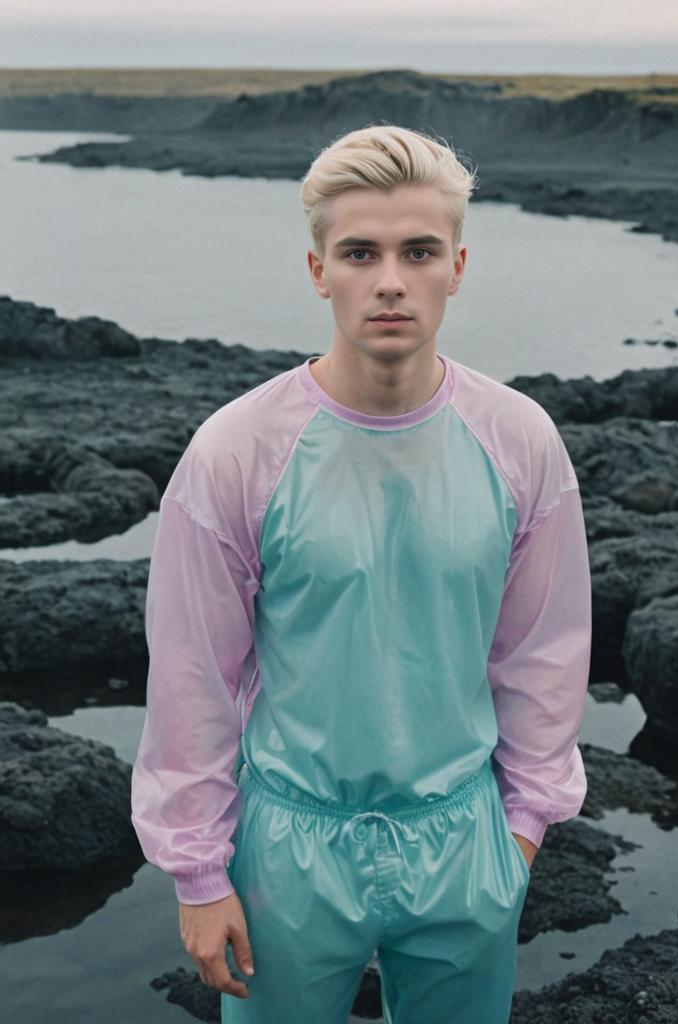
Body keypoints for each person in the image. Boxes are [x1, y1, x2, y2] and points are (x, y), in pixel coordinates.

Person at [130, 123, 592, 1024]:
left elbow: (542, 650)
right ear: (318, 270)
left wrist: (521, 833)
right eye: (360, 252)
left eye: (418, 251)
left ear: (457, 264)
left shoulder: (521, 440)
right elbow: (191, 677)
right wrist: (198, 873)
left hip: (466, 839)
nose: (390, 280)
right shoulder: (236, 451)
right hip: (286, 850)